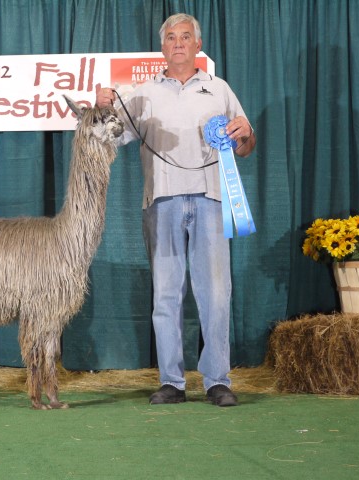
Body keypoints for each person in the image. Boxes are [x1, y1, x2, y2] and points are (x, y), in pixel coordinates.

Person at [96, 13, 256, 407]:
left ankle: (217, 380)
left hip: (211, 199)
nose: (179, 42)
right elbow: (108, 138)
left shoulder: (219, 89)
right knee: (166, 294)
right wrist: (101, 109)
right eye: (171, 37)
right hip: (162, 201)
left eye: (186, 36)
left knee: (216, 293)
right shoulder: (143, 93)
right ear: (163, 47)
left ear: (197, 46)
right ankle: (172, 382)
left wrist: (246, 135)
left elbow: (245, 145)